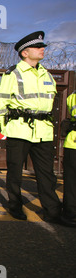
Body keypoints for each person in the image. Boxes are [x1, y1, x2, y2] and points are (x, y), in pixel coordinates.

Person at [0, 31, 63, 223]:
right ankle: (15, 206)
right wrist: (6, 128)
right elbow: (0, 104)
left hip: (44, 132)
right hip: (19, 130)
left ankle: (53, 211)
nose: (42, 50)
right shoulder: (13, 74)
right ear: (25, 53)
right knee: (15, 173)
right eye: (38, 47)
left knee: (47, 175)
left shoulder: (46, 74)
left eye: (42, 47)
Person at [61, 91, 76, 227]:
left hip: (72, 142)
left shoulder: (72, 96)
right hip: (73, 142)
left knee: (71, 183)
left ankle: (70, 214)